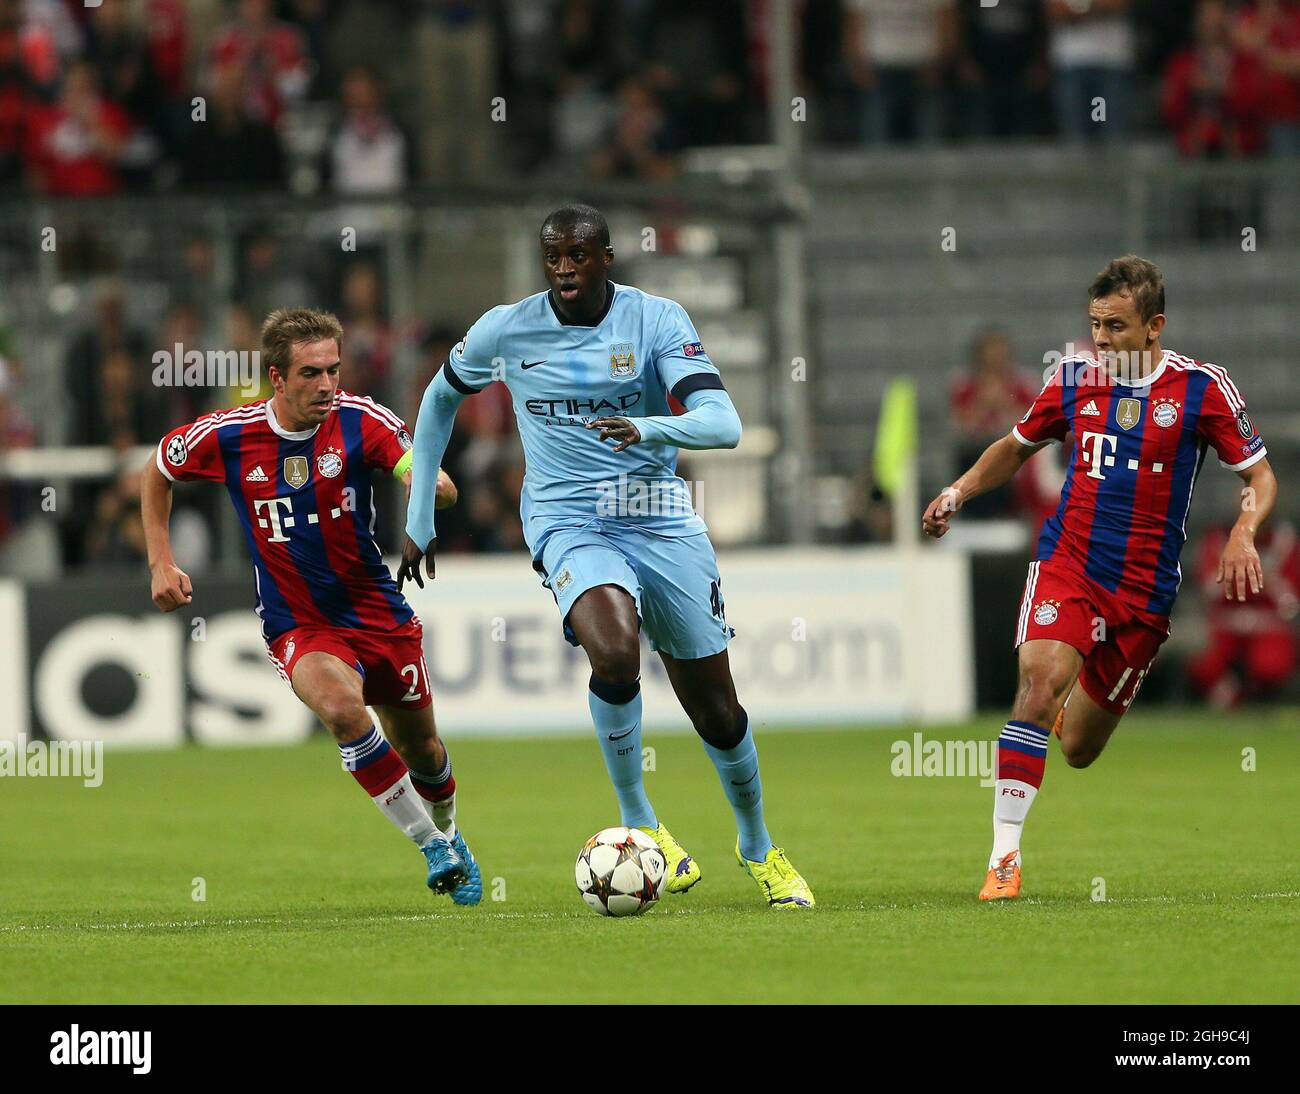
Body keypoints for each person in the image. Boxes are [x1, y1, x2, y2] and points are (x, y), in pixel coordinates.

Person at [401, 204, 814, 909]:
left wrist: (649, 427)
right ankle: (641, 821)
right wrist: (418, 516)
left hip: (657, 517)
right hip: (567, 518)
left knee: (716, 709)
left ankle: (757, 846)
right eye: (553, 255)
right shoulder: (506, 328)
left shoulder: (656, 321)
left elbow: (724, 422)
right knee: (616, 653)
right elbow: (439, 400)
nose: (565, 268)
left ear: (607, 259)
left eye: (579, 255)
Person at [922, 255, 1277, 900]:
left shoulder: (1202, 390)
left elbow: (1259, 475)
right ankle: (1004, 858)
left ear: (1154, 326)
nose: (1103, 340)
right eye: (1095, 325)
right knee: (1037, 685)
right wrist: (958, 491)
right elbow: (1015, 446)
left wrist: (1243, 530)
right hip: (1071, 566)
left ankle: (1061, 711)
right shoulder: (1073, 380)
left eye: (1116, 326)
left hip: (1144, 594)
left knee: (1080, 748)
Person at [140, 308, 479, 903]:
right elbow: (156, 470)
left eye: (334, 370)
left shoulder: (359, 419)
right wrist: (160, 561)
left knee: (423, 749)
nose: (327, 385)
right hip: (297, 620)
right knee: (344, 712)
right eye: (311, 373)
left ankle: (451, 832)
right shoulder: (228, 435)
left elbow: (412, 464)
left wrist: (426, 487)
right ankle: (432, 846)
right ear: (277, 377)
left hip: (377, 611)